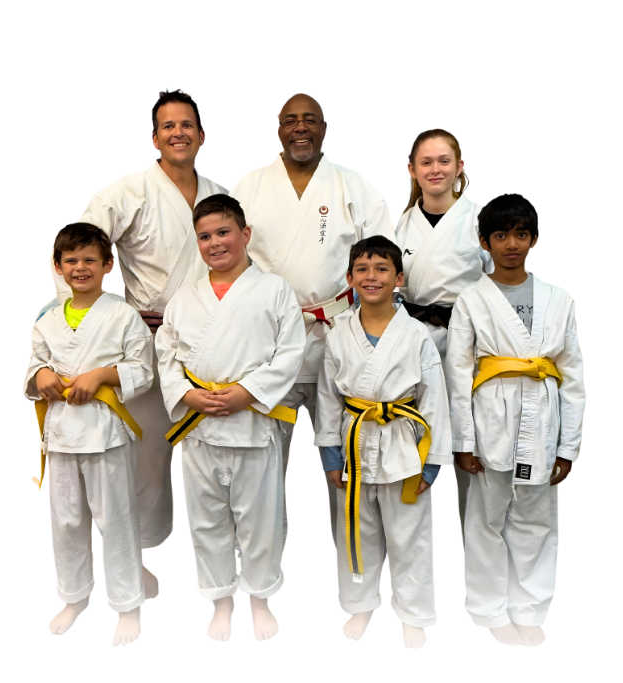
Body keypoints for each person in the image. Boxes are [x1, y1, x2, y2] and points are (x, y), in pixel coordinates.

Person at [46, 91, 228, 596]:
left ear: (202, 136)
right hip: (145, 338)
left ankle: (218, 564)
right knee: (145, 456)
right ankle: (139, 559)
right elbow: (73, 252)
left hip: (212, 341)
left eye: (187, 125)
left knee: (212, 453)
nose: (178, 133)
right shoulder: (125, 193)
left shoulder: (219, 194)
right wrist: (97, 324)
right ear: (154, 138)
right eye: (168, 126)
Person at [229, 93, 396, 545]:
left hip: (339, 335)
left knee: (346, 458)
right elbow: (222, 257)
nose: (300, 128)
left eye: (310, 120)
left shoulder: (356, 187)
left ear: (324, 128)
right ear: (278, 129)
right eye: (290, 120)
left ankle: (354, 573)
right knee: (262, 464)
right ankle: (261, 572)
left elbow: (384, 263)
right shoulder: (247, 187)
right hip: (267, 339)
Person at [155, 195, 305, 642]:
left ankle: (259, 598)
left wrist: (247, 393)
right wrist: (186, 394)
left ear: (245, 234)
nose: (215, 243)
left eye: (224, 232)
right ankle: (221, 599)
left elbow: (290, 352)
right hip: (199, 426)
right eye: (205, 236)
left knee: (261, 520)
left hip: (252, 422)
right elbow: (166, 354)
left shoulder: (274, 289)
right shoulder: (185, 297)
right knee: (206, 520)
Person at [445, 194, 585, 647]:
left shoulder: (559, 298)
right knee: (485, 521)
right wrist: (463, 441)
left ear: (534, 240)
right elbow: (458, 373)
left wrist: (568, 446)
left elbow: (573, 378)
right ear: (484, 242)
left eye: (521, 235)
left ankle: (529, 607)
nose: (511, 244)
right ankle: (489, 608)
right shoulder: (471, 299)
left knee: (536, 519)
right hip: (490, 420)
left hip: (542, 419)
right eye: (501, 235)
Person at [314, 236, 452, 649]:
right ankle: (361, 603)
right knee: (355, 531)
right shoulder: (339, 332)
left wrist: (431, 465)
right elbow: (327, 397)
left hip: (404, 448)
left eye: (381, 269)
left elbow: (434, 399)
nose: (371, 277)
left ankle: (412, 612)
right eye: (362, 269)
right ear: (349, 277)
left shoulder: (417, 334)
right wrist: (330, 456)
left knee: (410, 536)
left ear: (399, 278)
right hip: (353, 445)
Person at [24, 224, 154, 645]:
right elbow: (34, 365)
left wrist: (100, 375)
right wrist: (41, 375)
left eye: (90, 260)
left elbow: (143, 370)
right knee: (65, 522)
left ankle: (128, 604)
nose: (80, 267)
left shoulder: (123, 313)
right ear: (58, 267)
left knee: (116, 520)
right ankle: (74, 596)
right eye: (71, 261)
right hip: (61, 433)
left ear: (108, 265)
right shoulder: (47, 317)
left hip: (105, 433)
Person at [394, 128, 492, 535]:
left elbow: (497, 284)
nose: (435, 169)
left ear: (459, 167)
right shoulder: (403, 223)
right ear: (412, 170)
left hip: (468, 342)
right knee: (417, 438)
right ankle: (414, 545)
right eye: (427, 162)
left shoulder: (479, 219)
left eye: (444, 161)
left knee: (473, 442)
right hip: (416, 340)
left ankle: (478, 550)